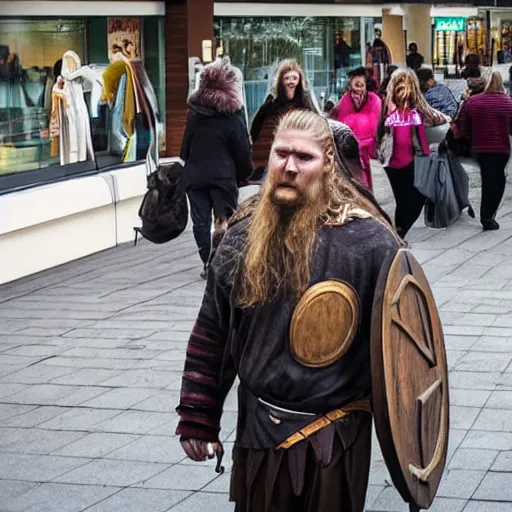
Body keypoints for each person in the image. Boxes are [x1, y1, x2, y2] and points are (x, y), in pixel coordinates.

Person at [176, 109, 404, 512]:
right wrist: (198, 415)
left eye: (305, 157)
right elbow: (213, 331)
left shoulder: (371, 242)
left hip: (336, 432)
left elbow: (400, 346)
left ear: (328, 164)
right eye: (282, 154)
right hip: (258, 428)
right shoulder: (242, 236)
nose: (290, 167)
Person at [180, 58, 253, 277]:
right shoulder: (233, 117)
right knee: (226, 221)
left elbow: (184, 150)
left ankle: (206, 261)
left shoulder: (194, 115)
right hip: (223, 176)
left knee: (200, 222)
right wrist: (243, 175)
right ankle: (220, 261)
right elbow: (242, 151)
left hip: (195, 177)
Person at [376, 68, 449, 239]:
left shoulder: (399, 111)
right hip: (399, 163)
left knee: (404, 200)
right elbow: (421, 142)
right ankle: (401, 232)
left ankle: (401, 232)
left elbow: (419, 136)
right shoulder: (401, 111)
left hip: (398, 163)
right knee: (408, 199)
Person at [453, 71, 512, 231]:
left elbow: (462, 126)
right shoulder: (508, 102)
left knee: (488, 179)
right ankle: (488, 215)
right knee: (498, 181)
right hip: (501, 148)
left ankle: (486, 215)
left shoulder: (472, 101)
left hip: (480, 148)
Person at [250, 59, 317, 181]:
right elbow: (256, 129)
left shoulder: (305, 103)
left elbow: (316, 127)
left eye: (294, 78)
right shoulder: (271, 105)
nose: (291, 82)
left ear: (299, 80)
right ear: (281, 81)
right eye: (287, 78)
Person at [331, 67, 381, 191]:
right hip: (350, 150)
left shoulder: (373, 99)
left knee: (368, 187)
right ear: (349, 84)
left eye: (361, 83)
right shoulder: (346, 99)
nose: (358, 86)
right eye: (355, 82)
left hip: (369, 151)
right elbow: (341, 124)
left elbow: (373, 124)